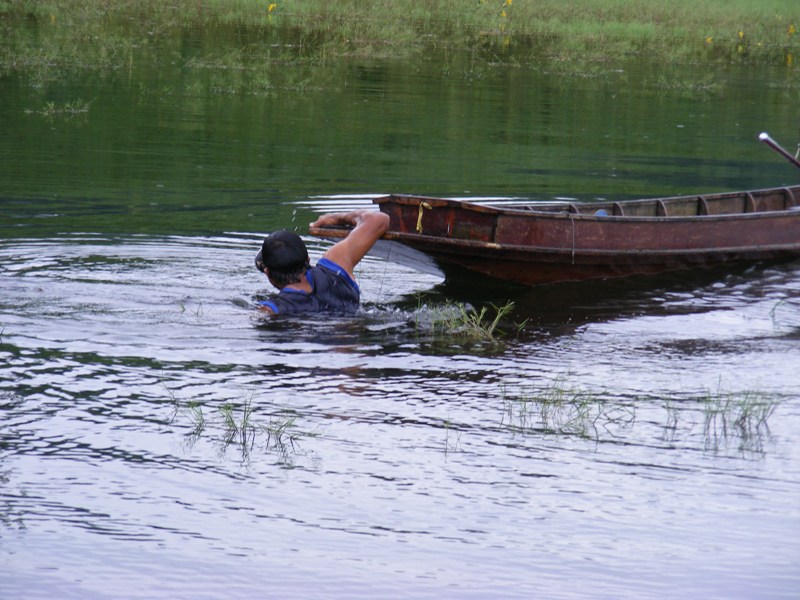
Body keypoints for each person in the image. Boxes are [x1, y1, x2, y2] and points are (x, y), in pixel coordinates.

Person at [254, 209, 390, 315]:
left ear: (267, 273)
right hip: (352, 335)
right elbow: (378, 219)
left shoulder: (270, 310)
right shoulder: (336, 264)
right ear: (308, 260)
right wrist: (335, 218)